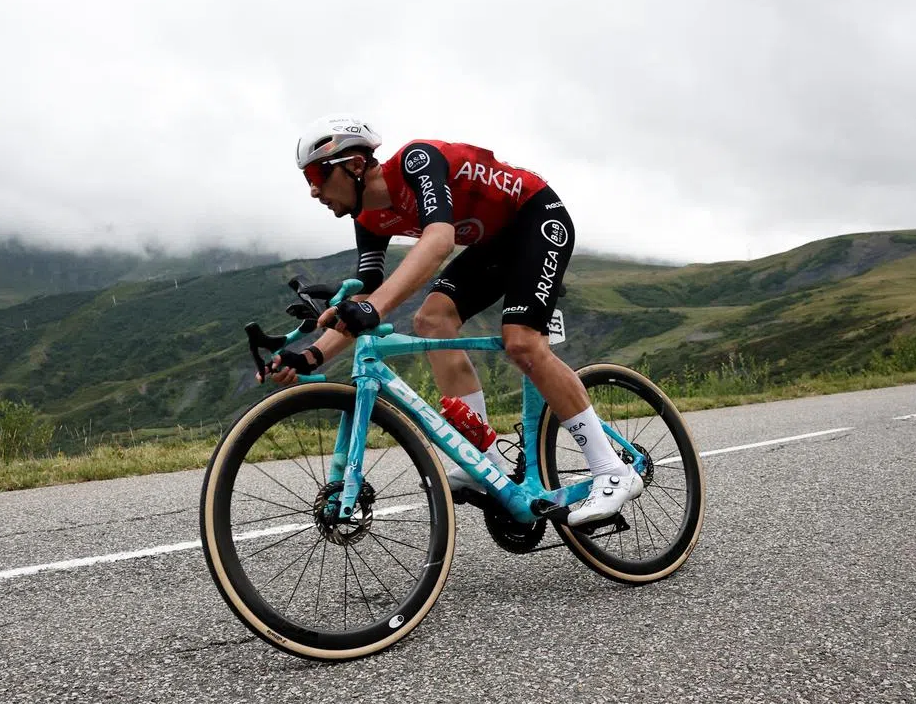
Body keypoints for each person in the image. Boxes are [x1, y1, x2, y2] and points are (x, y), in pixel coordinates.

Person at [262, 113, 642, 527]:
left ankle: (612, 470)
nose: (313, 190)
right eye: (308, 180)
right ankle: (485, 459)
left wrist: (372, 309)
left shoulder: (417, 161)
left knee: (522, 343)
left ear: (354, 164)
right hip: (494, 243)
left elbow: (439, 240)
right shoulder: (368, 219)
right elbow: (366, 299)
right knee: (432, 319)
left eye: (317, 175)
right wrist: (311, 356)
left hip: (536, 217)